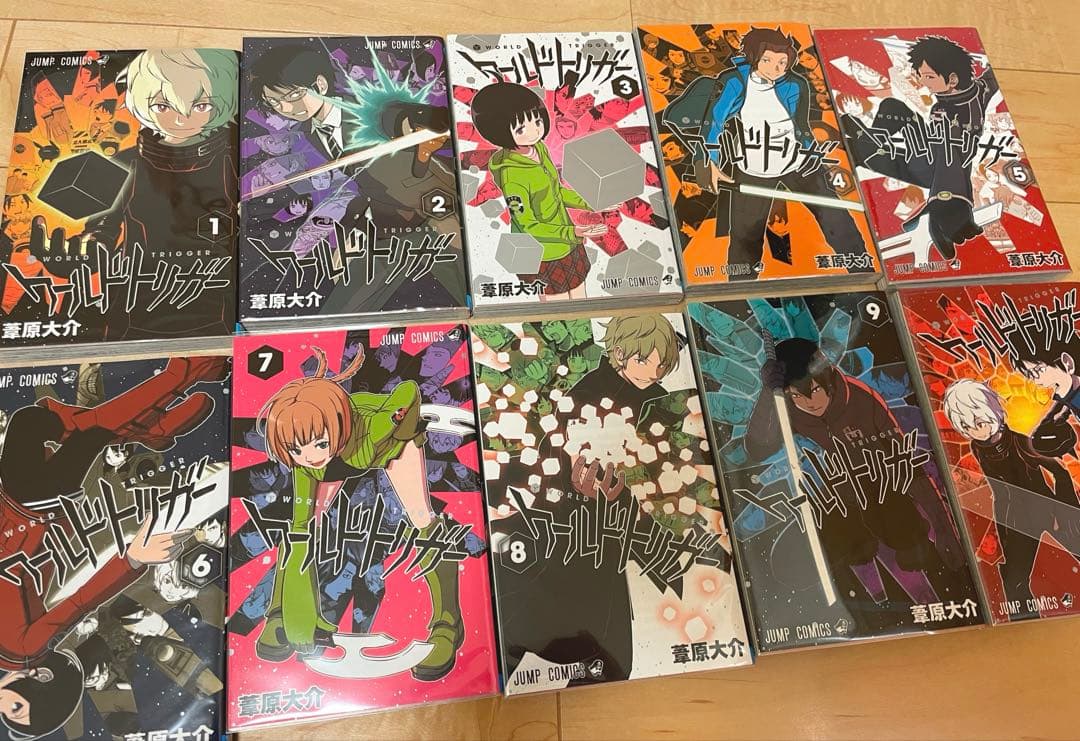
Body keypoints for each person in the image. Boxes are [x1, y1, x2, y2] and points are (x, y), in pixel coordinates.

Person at [0, 356, 226, 739]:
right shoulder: (21, 648)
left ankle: (148, 425)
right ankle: (183, 374)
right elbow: (79, 602)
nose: (5, 703)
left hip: (17, 503)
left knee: (43, 423)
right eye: (16, 710)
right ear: (43, 684)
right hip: (31, 508)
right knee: (65, 428)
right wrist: (132, 560)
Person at [253, 347, 462, 681]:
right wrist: (296, 615)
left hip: (387, 444)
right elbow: (301, 527)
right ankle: (280, 613)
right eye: (296, 449)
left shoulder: (377, 428)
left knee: (421, 517)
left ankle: (447, 625)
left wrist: (400, 423)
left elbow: (408, 390)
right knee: (301, 527)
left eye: (317, 444)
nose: (309, 455)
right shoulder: (307, 458)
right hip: (339, 454)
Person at [663, 27, 868, 279]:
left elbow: (800, 126)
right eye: (768, 60)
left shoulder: (796, 84)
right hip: (752, 169)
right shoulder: (734, 81)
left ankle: (862, 265)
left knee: (837, 219)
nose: (776, 68)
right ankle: (739, 288)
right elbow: (714, 121)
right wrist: (707, 162)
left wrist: (813, 156)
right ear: (753, 57)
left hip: (798, 163)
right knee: (744, 240)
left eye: (783, 62)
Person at [839, 35, 998, 260]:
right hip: (928, 154)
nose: (924, 83)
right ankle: (869, 144)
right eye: (922, 76)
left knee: (939, 145)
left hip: (938, 171)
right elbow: (990, 78)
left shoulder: (953, 113)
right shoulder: (976, 90)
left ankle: (865, 149)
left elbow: (950, 160)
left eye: (930, 77)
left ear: (952, 79)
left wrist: (948, 202)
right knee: (893, 107)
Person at [942, 380, 1078, 605]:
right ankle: (1024, 617)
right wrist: (1004, 531)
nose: (976, 430)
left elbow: (1059, 471)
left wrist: (1067, 513)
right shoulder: (978, 447)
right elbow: (1000, 492)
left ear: (992, 412)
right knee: (1014, 582)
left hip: (1046, 508)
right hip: (1016, 517)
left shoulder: (1021, 442)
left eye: (979, 422)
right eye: (966, 426)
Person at [470, 81, 606, 301]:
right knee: (557, 309)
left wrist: (592, 202)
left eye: (537, 121)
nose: (535, 131)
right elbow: (528, 225)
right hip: (544, 253)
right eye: (521, 129)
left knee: (581, 300)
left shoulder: (539, 148)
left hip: (567, 242)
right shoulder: (512, 177)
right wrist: (573, 232)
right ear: (499, 133)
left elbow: (557, 191)